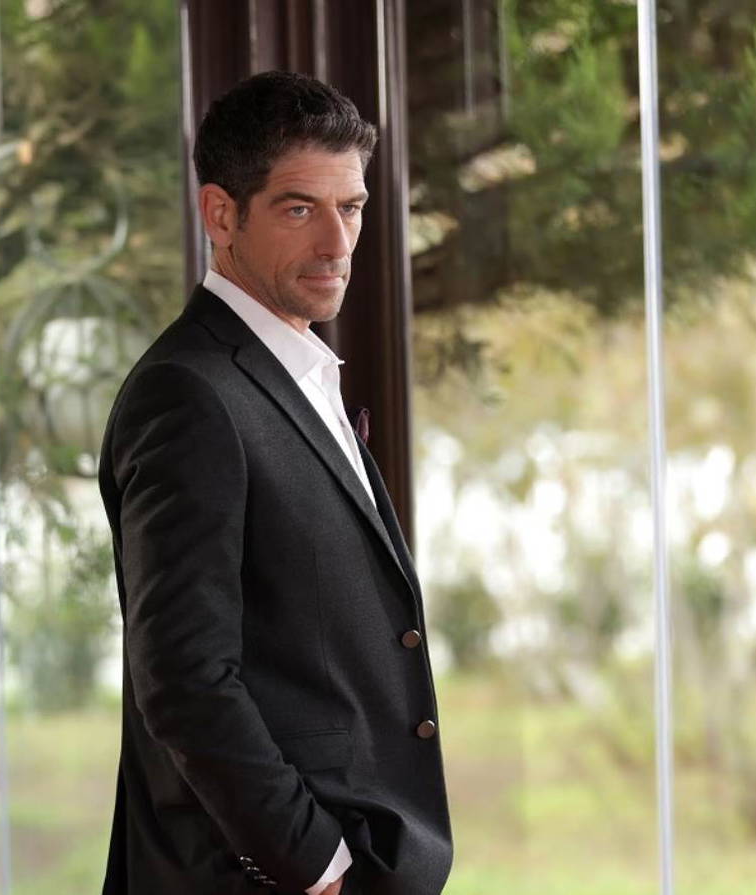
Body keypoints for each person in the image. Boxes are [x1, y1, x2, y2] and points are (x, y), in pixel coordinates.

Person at [97, 70, 452, 895]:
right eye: (300, 209)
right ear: (221, 214)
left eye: (351, 208)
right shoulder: (187, 393)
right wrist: (317, 864)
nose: (337, 242)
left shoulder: (297, 374)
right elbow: (183, 676)